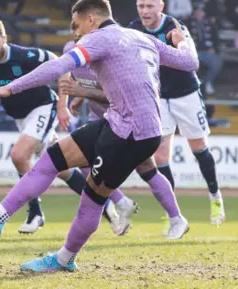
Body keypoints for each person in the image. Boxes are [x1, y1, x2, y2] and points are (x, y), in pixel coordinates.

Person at [0, 0, 198, 272]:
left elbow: (58, 66)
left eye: (76, 26)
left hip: (131, 134)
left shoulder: (98, 38)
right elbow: (189, 62)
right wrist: (182, 40)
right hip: (122, 122)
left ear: (91, 19)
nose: (76, 34)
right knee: (53, 158)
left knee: (92, 196)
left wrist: (10, 88)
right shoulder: (141, 37)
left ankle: (64, 259)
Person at [0, 18, 121, 235]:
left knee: (18, 155)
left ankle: (35, 213)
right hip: (21, 119)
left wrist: (62, 105)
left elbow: (63, 66)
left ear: (4, 39)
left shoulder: (26, 55)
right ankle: (105, 205)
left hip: (44, 107)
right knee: (60, 167)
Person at [58, 24, 188, 236]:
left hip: (127, 117)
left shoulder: (114, 48)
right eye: (75, 29)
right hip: (101, 116)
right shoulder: (72, 49)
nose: (79, 34)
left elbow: (115, 93)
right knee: (83, 161)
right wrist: (71, 100)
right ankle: (122, 202)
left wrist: (83, 92)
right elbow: (69, 76)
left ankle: (176, 218)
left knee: (146, 167)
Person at [129, 0, 225, 229]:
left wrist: (180, 46)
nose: (145, 10)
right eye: (141, 5)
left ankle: (215, 197)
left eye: (150, 6)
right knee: (160, 154)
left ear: (161, 6)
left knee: (198, 147)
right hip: (159, 97)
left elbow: (190, 58)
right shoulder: (134, 29)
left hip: (186, 94)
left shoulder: (174, 27)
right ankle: (174, 216)